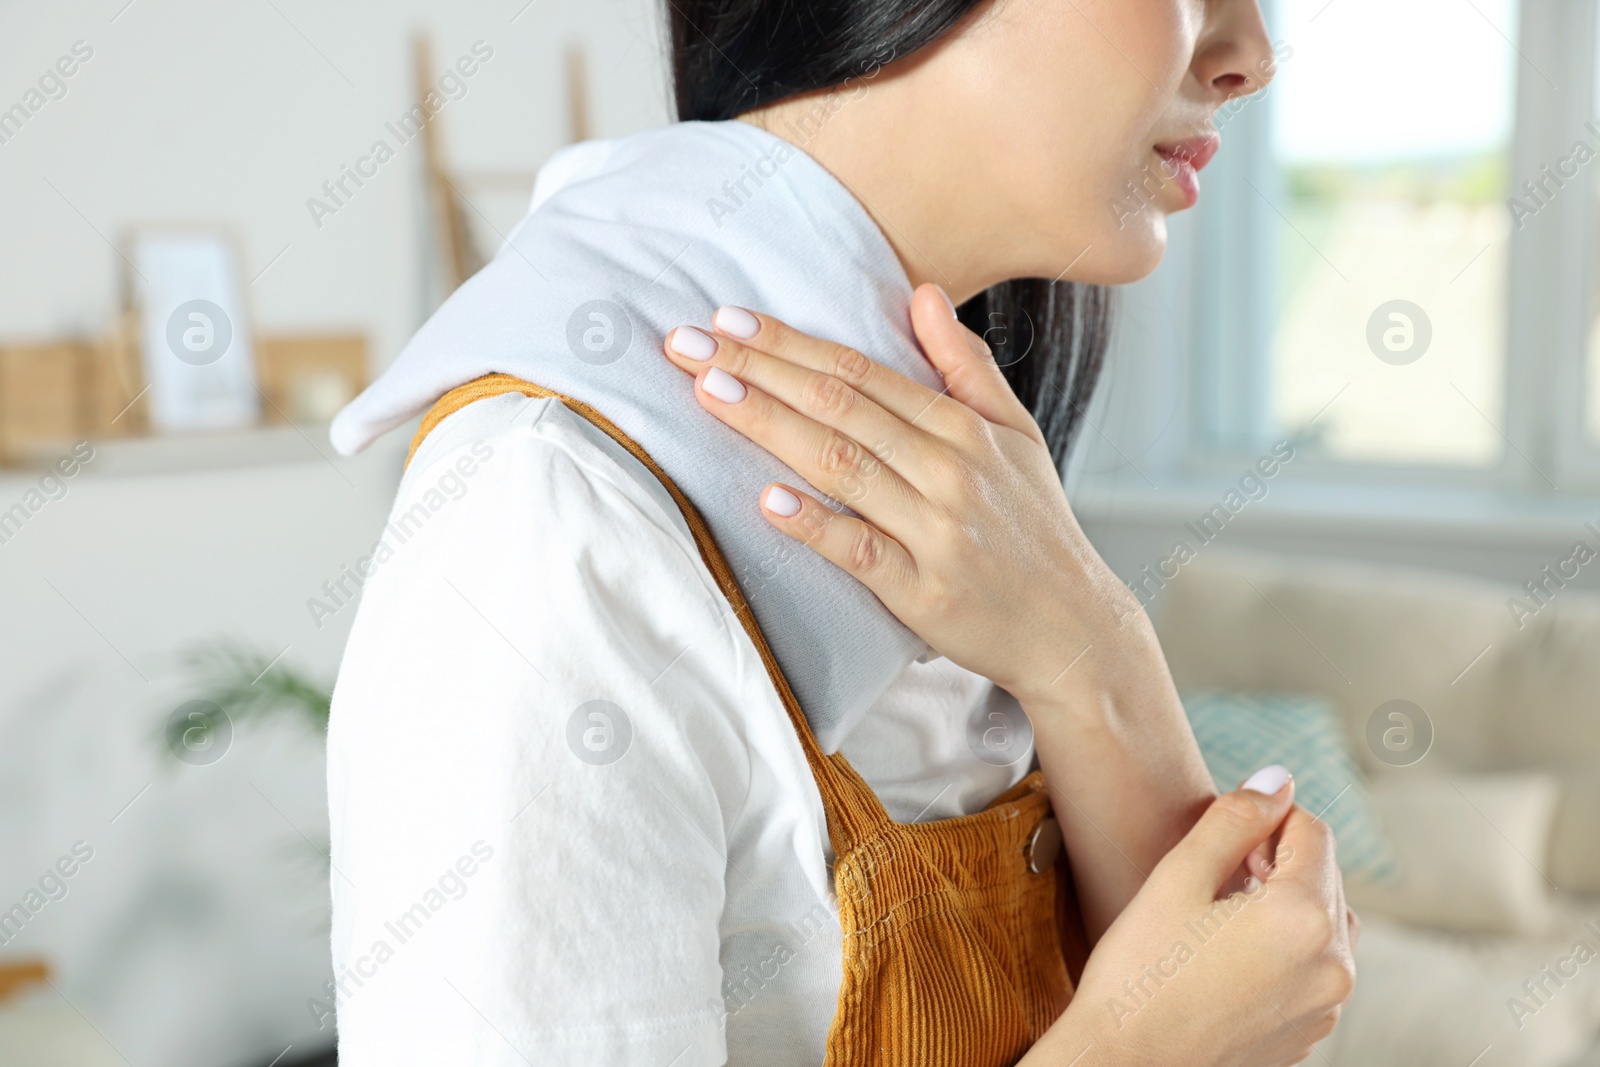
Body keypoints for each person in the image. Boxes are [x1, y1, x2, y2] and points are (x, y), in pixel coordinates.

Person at [324, 0, 1358, 1063]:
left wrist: (1094, 644)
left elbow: (1227, 987)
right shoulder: (546, 520)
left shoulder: (979, 490)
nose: (1251, 56)